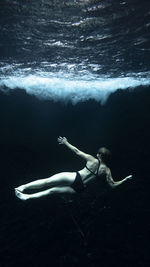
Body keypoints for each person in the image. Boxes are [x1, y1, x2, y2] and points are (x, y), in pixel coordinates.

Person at [15, 137, 132, 200]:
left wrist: (66, 142)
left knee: (47, 182)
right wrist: (125, 180)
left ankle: (23, 187)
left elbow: (77, 151)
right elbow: (112, 185)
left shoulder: (93, 160)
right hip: (80, 189)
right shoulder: (107, 170)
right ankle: (27, 197)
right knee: (51, 191)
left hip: (75, 177)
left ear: (100, 155)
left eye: (98, 153)